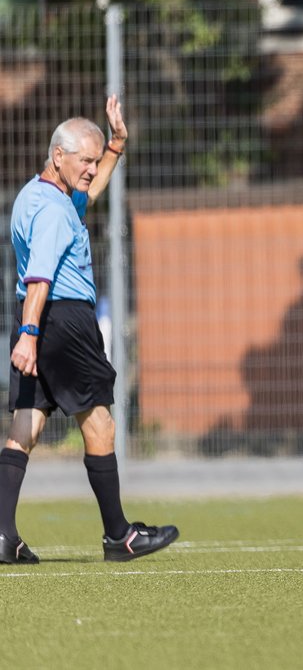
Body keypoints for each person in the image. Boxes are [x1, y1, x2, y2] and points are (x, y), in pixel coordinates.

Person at [2, 96, 179, 564]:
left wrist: (117, 143)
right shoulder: (56, 212)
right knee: (99, 422)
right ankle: (119, 536)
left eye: (95, 161)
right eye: (85, 160)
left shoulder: (37, 195)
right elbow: (41, 275)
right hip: (62, 320)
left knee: (27, 422)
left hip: (42, 318)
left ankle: (3, 534)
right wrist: (29, 333)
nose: (90, 169)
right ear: (58, 155)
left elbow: (91, 191)